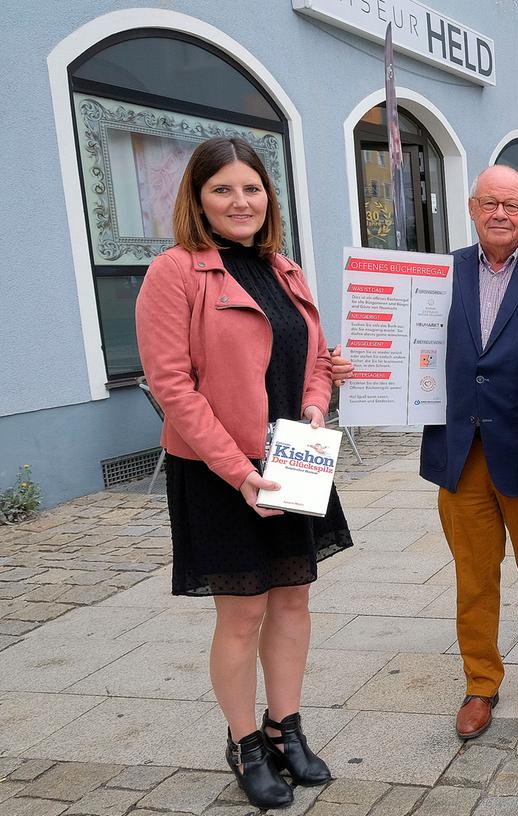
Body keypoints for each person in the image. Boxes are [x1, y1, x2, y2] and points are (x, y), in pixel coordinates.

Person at [333, 165, 518, 740]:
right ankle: (480, 684)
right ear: (472, 208)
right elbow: (401, 336)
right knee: (474, 577)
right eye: (490, 203)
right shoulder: (435, 273)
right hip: (460, 448)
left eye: (513, 205)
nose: (501, 213)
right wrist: (361, 363)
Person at [136, 137, 346, 809]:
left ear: (268, 196)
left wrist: (317, 401)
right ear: (197, 199)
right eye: (222, 189)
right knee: (241, 612)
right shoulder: (175, 272)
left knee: (292, 598)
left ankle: (287, 731)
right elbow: (174, 388)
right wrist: (238, 471)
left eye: (251, 188)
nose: (240, 201)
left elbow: (313, 354)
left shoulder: (283, 268)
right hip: (220, 471)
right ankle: (244, 743)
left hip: (293, 455)